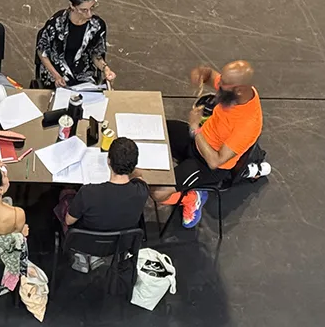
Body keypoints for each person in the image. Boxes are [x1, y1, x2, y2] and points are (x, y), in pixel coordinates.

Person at [150, 60, 263, 228]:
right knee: (155, 130)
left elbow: (214, 161)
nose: (219, 83)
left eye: (223, 82)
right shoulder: (235, 91)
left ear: (238, 89)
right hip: (199, 139)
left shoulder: (248, 124)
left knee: (158, 192)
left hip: (208, 165)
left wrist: (195, 128)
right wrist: (202, 74)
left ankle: (192, 197)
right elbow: (210, 75)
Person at [57, 138, 150, 272]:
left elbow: (69, 220)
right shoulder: (142, 191)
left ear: (109, 161)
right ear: (134, 165)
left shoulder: (88, 192)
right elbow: (140, 176)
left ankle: (82, 255)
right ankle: (95, 257)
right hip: (119, 244)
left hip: (85, 242)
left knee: (66, 194)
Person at [34, 0, 117, 88]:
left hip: (83, 76)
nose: (89, 14)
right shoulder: (56, 24)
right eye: (84, 10)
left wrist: (106, 69)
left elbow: (95, 54)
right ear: (72, 6)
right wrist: (56, 76)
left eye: (92, 8)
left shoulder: (97, 26)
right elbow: (42, 52)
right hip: (56, 75)